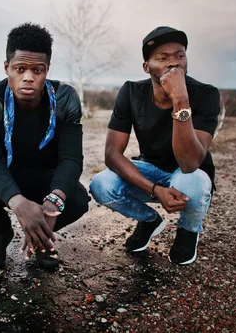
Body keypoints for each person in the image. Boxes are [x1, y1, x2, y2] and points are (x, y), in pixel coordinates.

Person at [89, 26, 220, 265]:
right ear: (146, 67)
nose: (174, 64)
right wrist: (154, 190)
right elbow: (112, 155)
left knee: (196, 181)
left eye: (180, 55)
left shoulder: (206, 94)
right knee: (102, 184)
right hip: (151, 169)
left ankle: (189, 229)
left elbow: (189, 162)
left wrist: (180, 100)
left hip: (187, 175)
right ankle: (150, 220)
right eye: (162, 58)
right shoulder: (131, 91)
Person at [0, 23, 90, 270]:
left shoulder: (65, 98)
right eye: (20, 69)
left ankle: (41, 237)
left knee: (76, 198)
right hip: (8, 174)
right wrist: (18, 204)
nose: (28, 77)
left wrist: (53, 203)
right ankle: (1, 234)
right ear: (7, 68)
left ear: (47, 70)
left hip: (47, 177)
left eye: (37, 70)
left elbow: (71, 159)